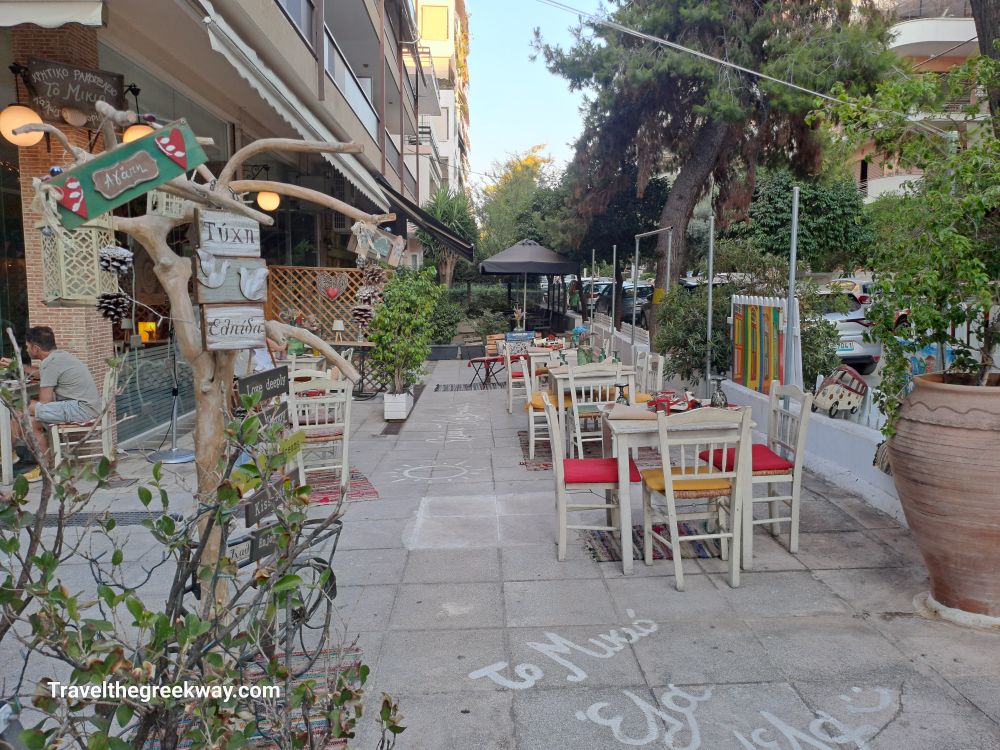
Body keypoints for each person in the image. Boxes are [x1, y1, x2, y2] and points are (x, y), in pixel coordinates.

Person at [0, 327, 101, 482]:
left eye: (27, 347)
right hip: (86, 406)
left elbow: (44, 403)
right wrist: (16, 364)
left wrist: (28, 403)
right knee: (27, 417)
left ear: (36, 348)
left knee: (21, 411)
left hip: (80, 409)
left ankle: (16, 456)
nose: (27, 350)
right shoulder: (60, 357)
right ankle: (22, 457)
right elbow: (42, 373)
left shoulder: (50, 363)